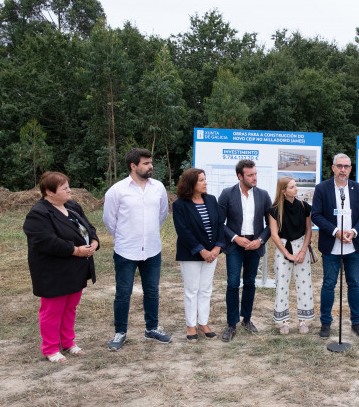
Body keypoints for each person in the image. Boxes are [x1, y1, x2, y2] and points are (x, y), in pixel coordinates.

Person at [23, 172, 99, 363]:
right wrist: (75, 250)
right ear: (48, 192)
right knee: (52, 311)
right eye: (64, 188)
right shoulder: (38, 213)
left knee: (70, 308)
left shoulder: (72, 206)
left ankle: (68, 342)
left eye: (68, 186)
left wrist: (95, 241)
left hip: (76, 268)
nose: (69, 191)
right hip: (53, 271)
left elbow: (88, 227)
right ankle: (50, 349)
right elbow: (46, 241)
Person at [103, 148, 170, 350]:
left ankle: (151, 328)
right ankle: (120, 332)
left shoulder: (158, 188)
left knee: (152, 290)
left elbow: (162, 214)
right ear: (133, 166)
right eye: (146, 163)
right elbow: (108, 219)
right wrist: (123, 237)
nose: (151, 166)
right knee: (123, 293)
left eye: (151, 162)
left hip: (151, 249)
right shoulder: (117, 190)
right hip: (126, 250)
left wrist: (148, 234)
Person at [311, 153, 359, 339]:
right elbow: (316, 215)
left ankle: (356, 322)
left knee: (353, 283)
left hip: (352, 245)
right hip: (331, 245)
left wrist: (353, 231)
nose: (343, 170)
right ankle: (326, 323)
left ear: (350, 169)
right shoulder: (322, 188)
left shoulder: (358, 189)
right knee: (329, 284)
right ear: (333, 168)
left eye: (346, 166)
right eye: (339, 166)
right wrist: (335, 231)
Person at [217, 159, 272, 342]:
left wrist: (260, 240)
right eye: (250, 175)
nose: (254, 178)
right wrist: (234, 237)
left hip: (254, 246)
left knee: (250, 282)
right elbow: (220, 223)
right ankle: (232, 324)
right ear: (240, 176)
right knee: (233, 283)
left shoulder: (263, 195)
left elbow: (271, 224)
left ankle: (246, 319)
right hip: (235, 245)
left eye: (255, 174)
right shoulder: (227, 194)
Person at [172, 168, 225, 341]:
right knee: (191, 291)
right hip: (191, 254)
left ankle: (203, 322)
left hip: (212, 253)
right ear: (191, 183)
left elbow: (218, 224)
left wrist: (217, 248)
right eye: (201, 180)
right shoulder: (180, 205)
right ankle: (190, 326)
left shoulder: (211, 200)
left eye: (205, 179)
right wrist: (201, 251)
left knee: (205, 289)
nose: (205, 183)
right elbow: (183, 231)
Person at [268, 176, 314, 334]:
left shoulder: (304, 206)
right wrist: (288, 254)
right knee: (281, 285)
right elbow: (274, 235)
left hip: (301, 247)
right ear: (283, 191)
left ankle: (303, 320)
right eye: (292, 187)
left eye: (295, 186)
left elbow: (309, 230)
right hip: (283, 248)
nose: (296, 189)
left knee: (304, 284)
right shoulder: (274, 210)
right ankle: (284, 321)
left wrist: (302, 251)